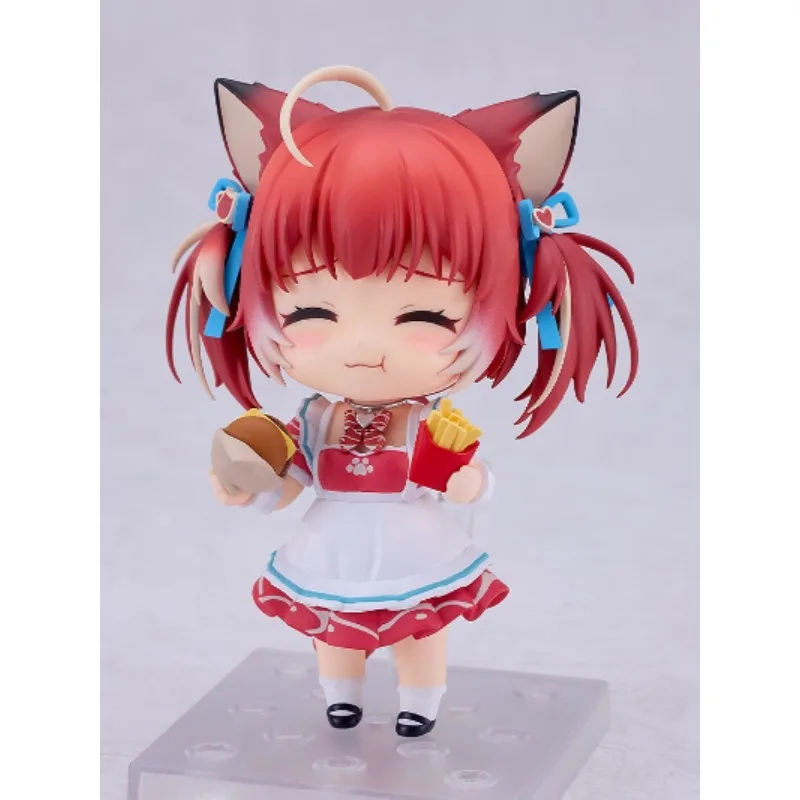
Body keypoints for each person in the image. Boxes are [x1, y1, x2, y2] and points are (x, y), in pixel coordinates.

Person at [166, 65, 638, 738]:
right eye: (311, 311)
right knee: (334, 628)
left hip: (414, 541)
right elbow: (295, 479)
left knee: (420, 627)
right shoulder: (315, 419)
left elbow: (470, 480)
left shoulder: (431, 422)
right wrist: (251, 484)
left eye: (426, 314)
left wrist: (464, 479)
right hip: (331, 543)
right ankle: (341, 693)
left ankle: (421, 701)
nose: (363, 347)